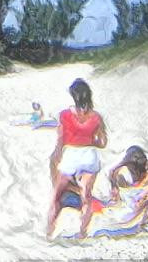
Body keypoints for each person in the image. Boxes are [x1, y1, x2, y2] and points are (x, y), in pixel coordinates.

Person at [47, 78, 108, 239]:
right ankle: (82, 233)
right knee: (86, 197)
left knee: (56, 197)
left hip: (71, 156)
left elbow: (60, 140)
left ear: (74, 96)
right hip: (89, 157)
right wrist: (88, 140)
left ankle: (49, 233)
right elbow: (103, 143)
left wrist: (56, 157)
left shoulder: (65, 115)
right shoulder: (96, 117)